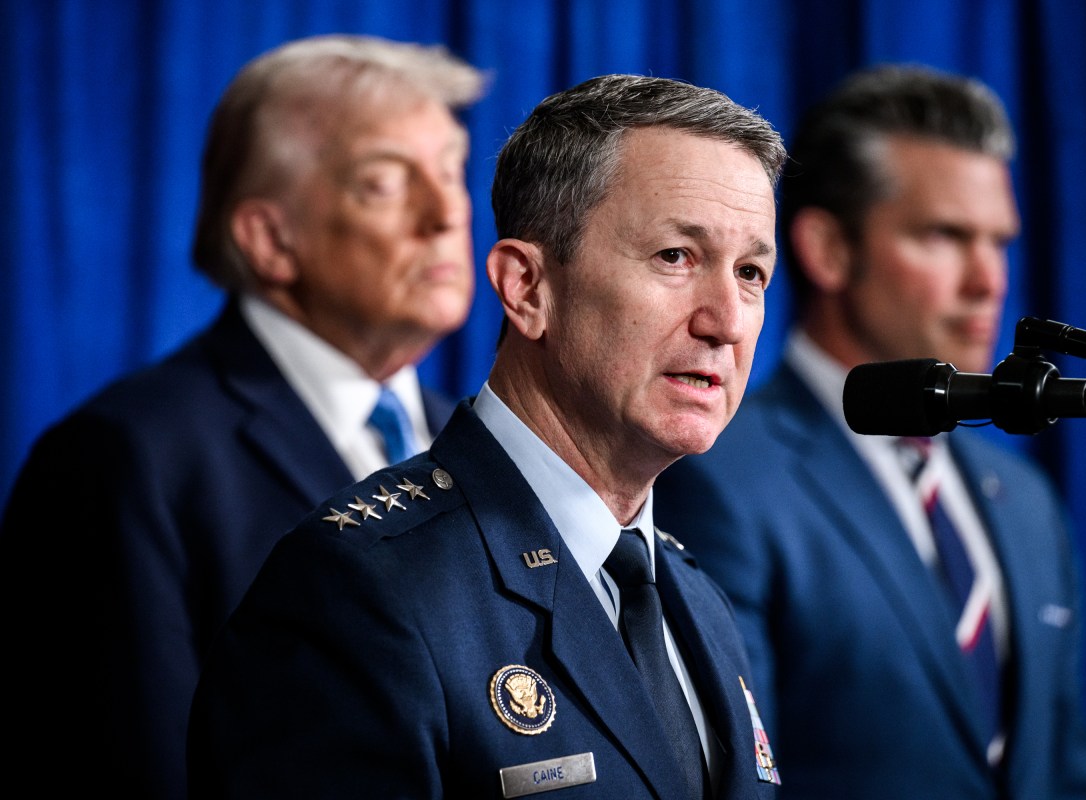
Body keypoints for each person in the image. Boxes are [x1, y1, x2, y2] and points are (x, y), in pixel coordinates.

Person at [187, 73, 786, 799]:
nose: (726, 319)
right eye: (675, 257)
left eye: (751, 272)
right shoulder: (358, 590)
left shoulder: (694, 598)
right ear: (528, 289)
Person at [0, 35, 485, 799]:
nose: (446, 212)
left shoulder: (470, 443)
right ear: (270, 237)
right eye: (387, 182)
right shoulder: (126, 459)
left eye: (453, 169)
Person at [655, 64, 1086, 799]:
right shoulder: (713, 475)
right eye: (945, 236)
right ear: (828, 249)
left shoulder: (1023, 500)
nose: (987, 280)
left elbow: (1070, 775)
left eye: (998, 242)